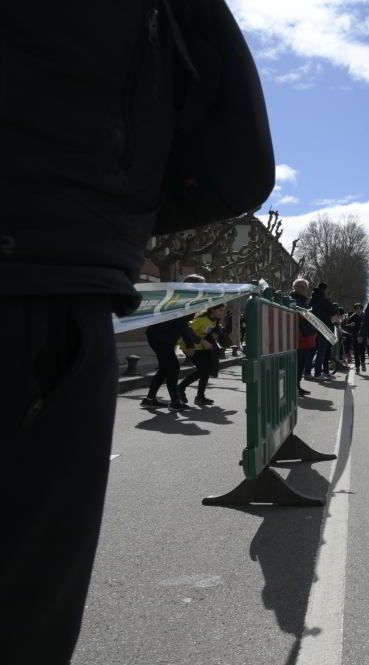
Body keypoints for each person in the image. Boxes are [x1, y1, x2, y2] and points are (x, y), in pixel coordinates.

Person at [1, 5, 274, 662]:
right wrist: (113, 217)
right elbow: (241, 164)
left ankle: (168, 395)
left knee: (190, 368)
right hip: (51, 288)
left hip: (63, 276)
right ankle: (167, 396)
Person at [141, 274, 206, 410]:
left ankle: (150, 399)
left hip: (162, 336)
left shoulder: (188, 298)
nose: (204, 287)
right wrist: (190, 344)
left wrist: (196, 340)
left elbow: (184, 325)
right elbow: (181, 323)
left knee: (166, 368)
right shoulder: (184, 299)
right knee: (173, 367)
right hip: (160, 337)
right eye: (202, 285)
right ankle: (175, 402)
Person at [177, 304, 226, 405]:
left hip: (201, 347)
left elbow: (208, 333)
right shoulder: (201, 319)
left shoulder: (214, 321)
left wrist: (216, 335)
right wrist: (201, 342)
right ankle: (180, 388)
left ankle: (200, 397)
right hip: (189, 347)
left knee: (206, 370)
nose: (223, 312)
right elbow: (187, 332)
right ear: (212, 310)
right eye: (220, 310)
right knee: (204, 369)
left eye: (223, 310)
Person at [290, 279, 319, 396]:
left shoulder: (303, 300)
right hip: (298, 336)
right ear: (295, 287)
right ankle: (294, 387)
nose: (303, 289)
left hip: (304, 336)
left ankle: (297, 386)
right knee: (296, 364)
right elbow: (299, 317)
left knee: (301, 363)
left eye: (305, 287)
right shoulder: (293, 300)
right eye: (300, 286)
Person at [309, 282, 336, 378]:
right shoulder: (325, 300)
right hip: (323, 327)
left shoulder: (311, 299)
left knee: (311, 351)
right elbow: (333, 311)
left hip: (312, 327)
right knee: (321, 351)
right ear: (325, 290)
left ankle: (307, 372)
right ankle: (317, 373)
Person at [343, 303, 367, 372]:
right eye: (356, 309)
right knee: (356, 352)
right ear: (355, 310)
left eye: (359, 309)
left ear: (362, 309)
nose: (358, 310)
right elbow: (345, 326)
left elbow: (368, 325)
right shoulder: (352, 317)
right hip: (355, 336)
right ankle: (357, 367)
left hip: (363, 336)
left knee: (362, 351)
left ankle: (362, 362)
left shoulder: (365, 316)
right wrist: (350, 324)